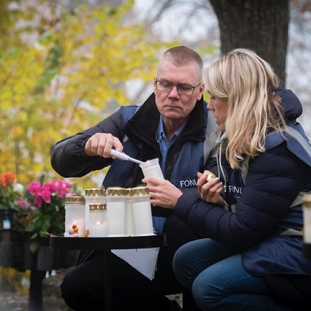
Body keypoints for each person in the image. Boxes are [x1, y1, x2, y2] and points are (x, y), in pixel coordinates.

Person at [143, 48, 311, 311]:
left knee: (209, 288)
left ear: (237, 99)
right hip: (285, 240)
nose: (209, 105)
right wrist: (213, 199)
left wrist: (179, 201)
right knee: (187, 260)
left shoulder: (278, 148)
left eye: (215, 97)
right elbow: (247, 211)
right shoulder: (247, 137)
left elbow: (241, 231)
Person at [51, 46, 219, 311]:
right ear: (154, 84)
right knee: (77, 287)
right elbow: (59, 158)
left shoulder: (216, 130)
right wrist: (87, 146)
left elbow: (225, 198)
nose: (172, 95)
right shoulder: (129, 120)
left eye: (184, 87)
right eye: (165, 84)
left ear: (200, 91)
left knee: (184, 235)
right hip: (128, 248)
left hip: (190, 250)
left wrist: (180, 199)